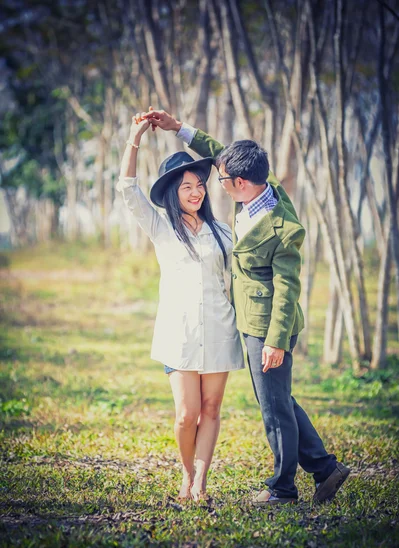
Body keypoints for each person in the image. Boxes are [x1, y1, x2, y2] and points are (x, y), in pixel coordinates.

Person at [142, 108, 350, 505]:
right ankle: (324, 467)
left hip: (266, 324)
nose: (212, 186)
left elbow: (288, 287)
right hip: (246, 321)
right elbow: (221, 153)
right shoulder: (255, 187)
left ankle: (284, 488)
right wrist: (178, 128)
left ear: (239, 183)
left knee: (274, 406)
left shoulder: (282, 225)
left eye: (219, 180)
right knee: (279, 400)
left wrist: (274, 341)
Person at [116, 113, 245, 503]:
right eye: (187, 186)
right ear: (173, 191)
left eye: (200, 185)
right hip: (180, 334)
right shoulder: (160, 228)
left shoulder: (223, 232)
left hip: (220, 331)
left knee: (212, 409)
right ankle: (186, 472)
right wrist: (136, 136)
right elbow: (127, 189)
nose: (196, 192)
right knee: (187, 414)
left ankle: (201, 482)